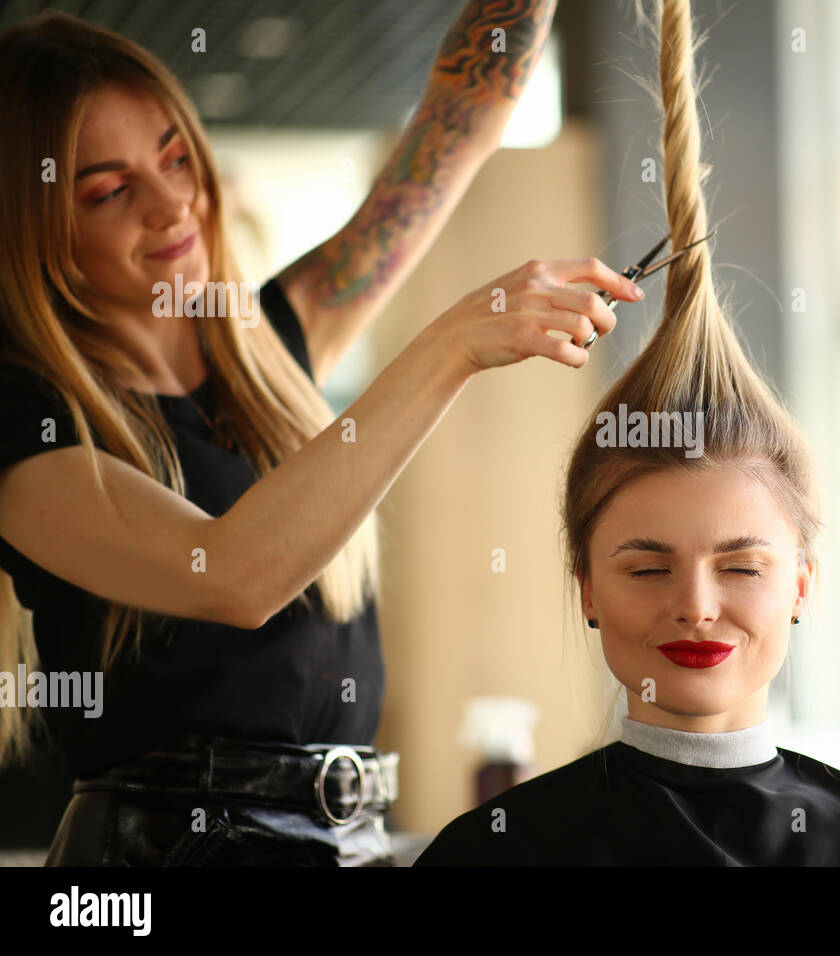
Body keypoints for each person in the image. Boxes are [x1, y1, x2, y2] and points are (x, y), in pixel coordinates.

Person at [0, 3, 643, 865]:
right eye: (111, 191)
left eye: (176, 156)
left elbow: (461, 119)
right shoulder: (25, 423)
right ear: (34, 230)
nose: (173, 205)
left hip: (347, 842)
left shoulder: (274, 344)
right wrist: (451, 345)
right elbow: (233, 573)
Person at [415, 0, 840, 867]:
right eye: (646, 567)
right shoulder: (494, 855)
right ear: (587, 589)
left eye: (743, 565)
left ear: (802, 581)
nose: (697, 606)